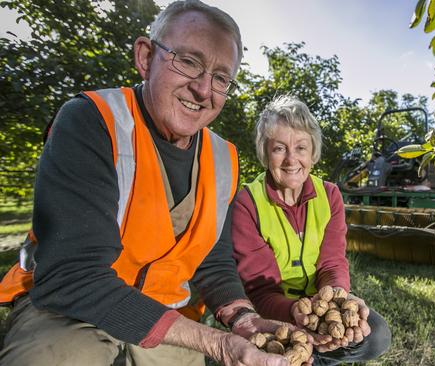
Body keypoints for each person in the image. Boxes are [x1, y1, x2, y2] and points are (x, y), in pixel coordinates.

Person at [0, 1, 293, 365]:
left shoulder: (225, 158)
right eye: (188, 61)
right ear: (145, 57)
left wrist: (242, 318)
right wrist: (216, 343)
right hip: (68, 310)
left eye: (221, 78)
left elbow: (213, 261)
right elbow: (73, 276)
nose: (203, 89)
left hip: (167, 317)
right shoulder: (93, 121)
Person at [231, 95, 392, 366]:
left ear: (313, 152)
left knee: (377, 336)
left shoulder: (329, 195)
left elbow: (332, 262)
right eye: (279, 148)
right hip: (273, 310)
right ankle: (305, 354)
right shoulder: (247, 203)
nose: (291, 159)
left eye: (301, 148)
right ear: (265, 153)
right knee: (268, 348)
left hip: (317, 306)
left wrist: (337, 300)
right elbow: (260, 291)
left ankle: (314, 355)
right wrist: (296, 315)